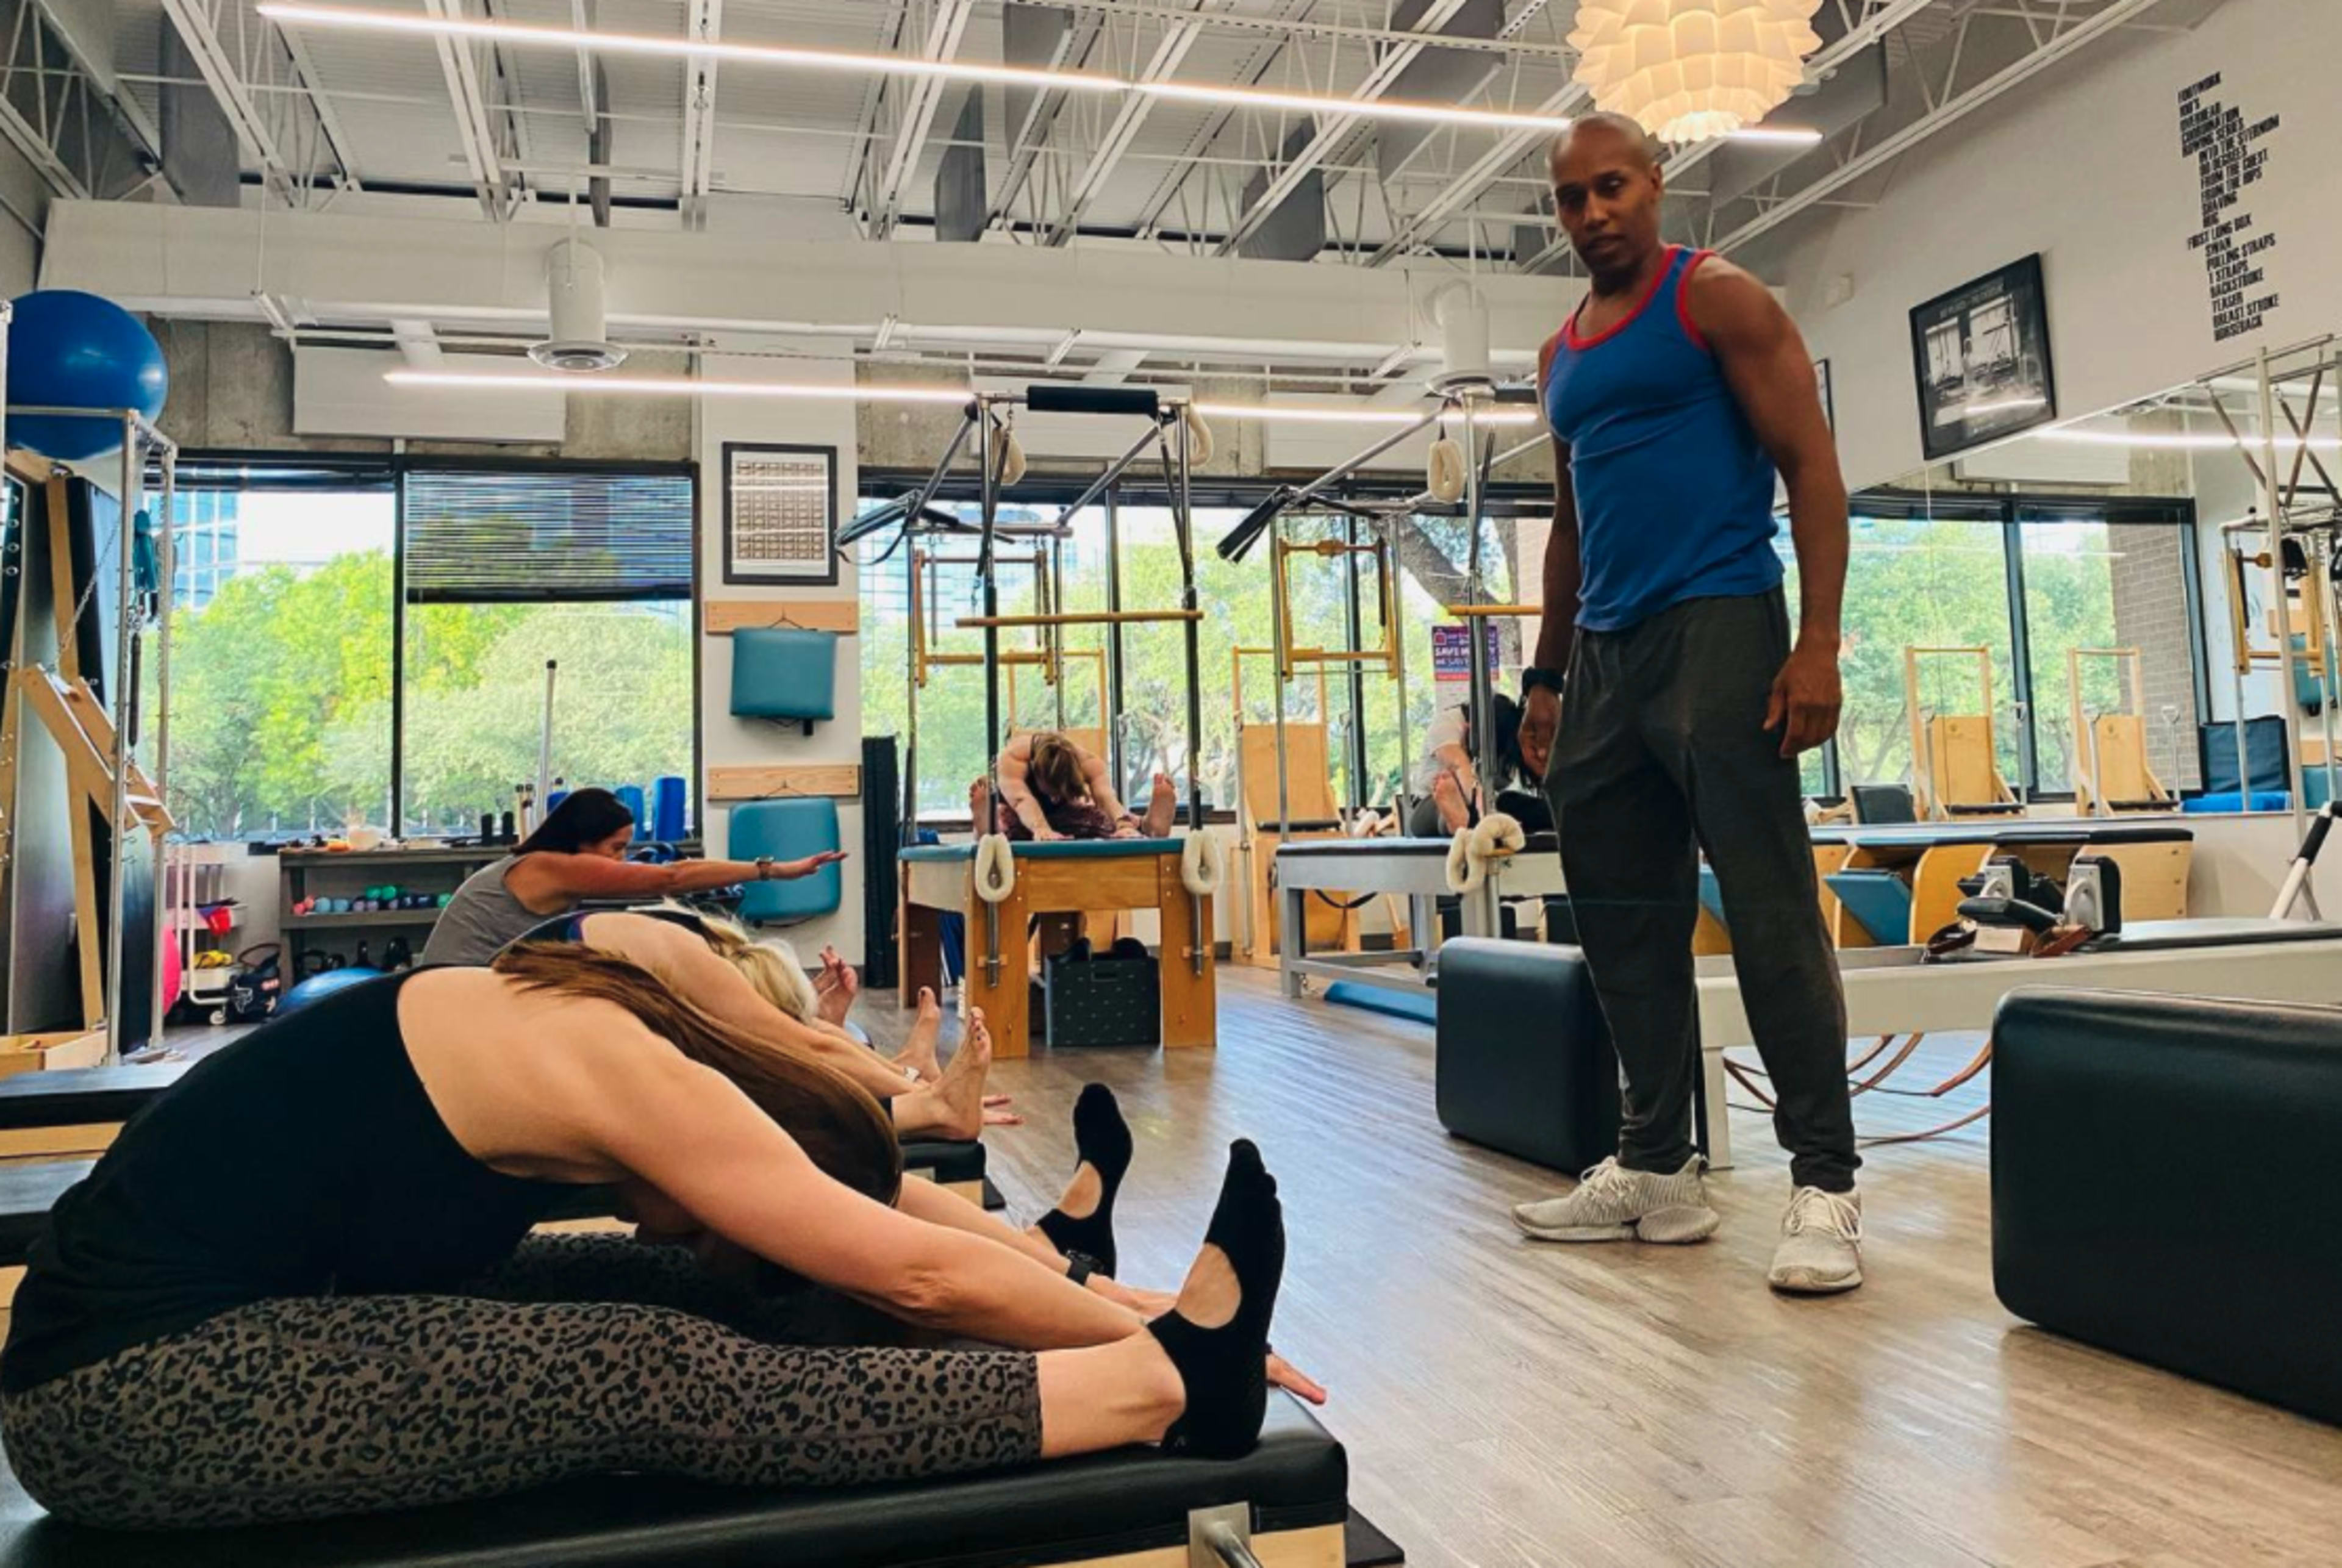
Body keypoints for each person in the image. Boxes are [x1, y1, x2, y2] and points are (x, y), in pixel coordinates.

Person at [0, 951, 1322, 1529]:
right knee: (644, 1360)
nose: (714, 1215)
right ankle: (1154, 1390)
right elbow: (900, 1255)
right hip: (119, 1388)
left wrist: (1120, 1285)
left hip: (272, 1306)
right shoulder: (640, 1079)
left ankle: (1163, 1350)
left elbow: (880, 1215)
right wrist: (1169, 1346)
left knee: (656, 1274)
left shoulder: (644, 1013)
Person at [1509, 113, 1864, 1294]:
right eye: (1570, 198)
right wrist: (1546, 676)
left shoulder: (1716, 298)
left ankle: (1824, 1183)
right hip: (1605, 656)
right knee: (1620, 918)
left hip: (1721, 622)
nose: (1593, 212)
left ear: (1656, 186)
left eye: (1610, 187)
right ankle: (1657, 1163)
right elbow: (1568, 529)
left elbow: (1812, 464)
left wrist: (1815, 644)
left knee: (1766, 910)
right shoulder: (1560, 360)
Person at [514, 904, 1019, 1139]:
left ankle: (913, 1073)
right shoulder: (693, 957)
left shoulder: (687, 940)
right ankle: (928, 1105)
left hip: (540, 1032)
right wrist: (932, 1100)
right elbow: (807, 1047)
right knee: (776, 1086)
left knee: (798, 1048)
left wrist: (908, 1079)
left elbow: (809, 1038)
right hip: (534, 1063)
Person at [420, 788, 848, 968]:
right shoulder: (552, 866)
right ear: (582, 840)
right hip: (451, 992)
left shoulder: (541, 864)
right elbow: (674, 876)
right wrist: (773, 870)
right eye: (616, 848)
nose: (623, 859)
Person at [970, 731, 1178, 842]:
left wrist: (1123, 825)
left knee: (1097, 817)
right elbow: (1021, 800)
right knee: (1003, 820)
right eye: (1051, 791)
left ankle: (1149, 827)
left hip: (1065, 816)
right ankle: (986, 828)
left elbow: (1106, 797)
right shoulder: (1014, 757)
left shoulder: (1089, 762)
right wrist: (1041, 828)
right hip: (1018, 813)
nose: (1053, 797)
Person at [1406, 693, 1554, 837]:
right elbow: (1459, 765)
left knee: (1513, 802)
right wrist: (1483, 811)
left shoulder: (1507, 742)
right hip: (1431, 803)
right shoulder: (1447, 724)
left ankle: (1557, 816)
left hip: (1487, 805)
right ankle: (1459, 821)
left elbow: (1501, 786)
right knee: (1449, 805)